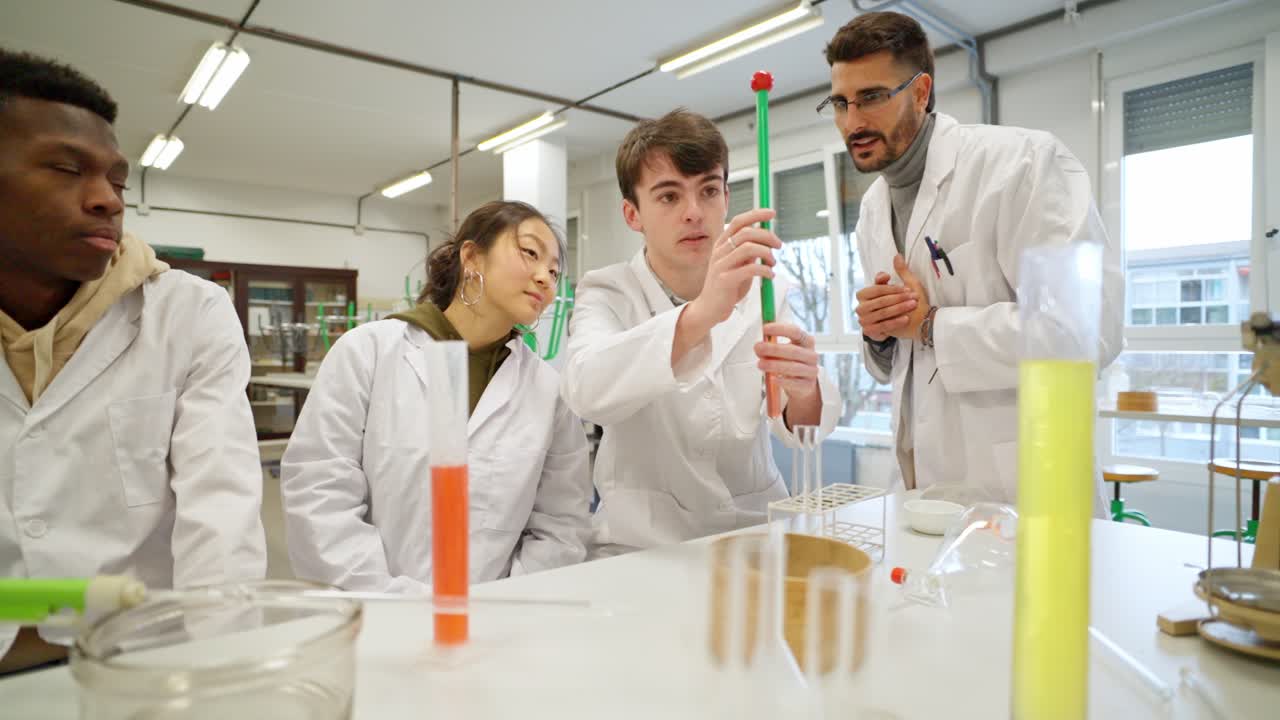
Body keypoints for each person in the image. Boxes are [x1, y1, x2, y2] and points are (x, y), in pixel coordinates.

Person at [0, 50, 266, 673]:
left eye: (118, 182)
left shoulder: (187, 313)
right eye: (67, 169)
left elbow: (220, 520)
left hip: (150, 656)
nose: (107, 201)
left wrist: (220, 668)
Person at [825, 13, 1123, 507]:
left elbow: (1087, 331)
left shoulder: (1022, 164)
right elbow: (903, 363)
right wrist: (879, 334)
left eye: (872, 97)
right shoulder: (873, 212)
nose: (852, 122)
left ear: (921, 92)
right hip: (923, 496)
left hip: (1024, 494)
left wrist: (932, 325)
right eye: (840, 103)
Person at [561, 110, 842, 557]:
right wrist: (703, 314)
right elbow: (587, 389)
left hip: (752, 539)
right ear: (633, 214)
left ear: (726, 197)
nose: (694, 213)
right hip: (640, 547)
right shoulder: (608, 291)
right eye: (669, 197)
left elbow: (798, 425)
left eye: (708, 190)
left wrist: (804, 390)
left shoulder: (765, 290)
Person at [282, 201, 591, 591]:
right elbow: (319, 491)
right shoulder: (368, 352)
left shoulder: (549, 392)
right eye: (530, 253)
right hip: (373, 613)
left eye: (554, 270)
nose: (545, 277)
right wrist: (389, 599)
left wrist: (505, 601)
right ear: (472, 257)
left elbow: (562, 524)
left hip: (497, 622)